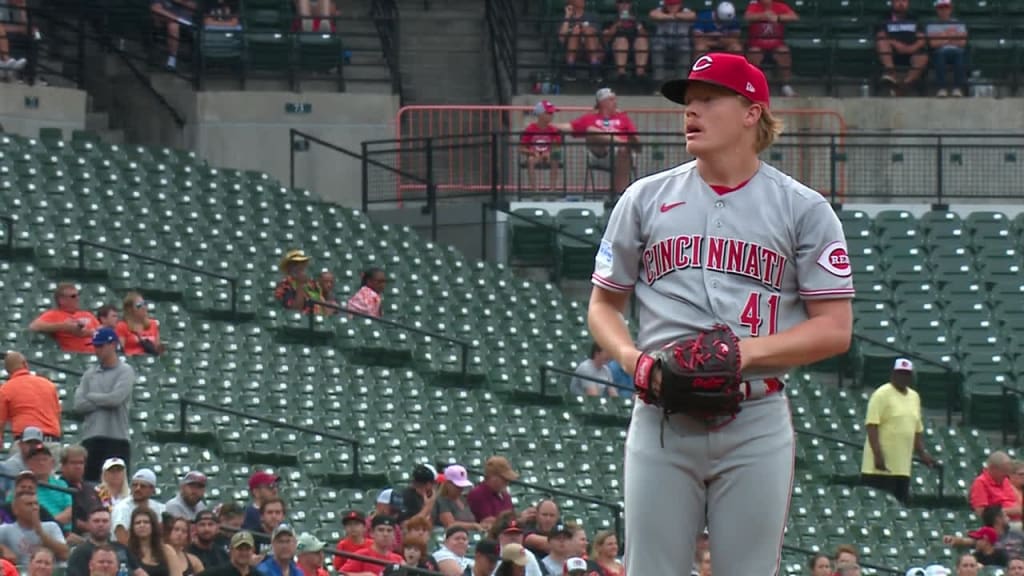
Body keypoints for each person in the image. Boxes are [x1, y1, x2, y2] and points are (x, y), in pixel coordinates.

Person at [588, 52, 854, 576]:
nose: (692, 112)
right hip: (663, 412)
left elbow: (835, 328)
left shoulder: (803, 208)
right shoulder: (644, 197)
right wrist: (630, 358)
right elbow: (604, 304)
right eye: (689, 103)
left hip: (755, 416)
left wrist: (743, 353)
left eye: (709, 100)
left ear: (752, 111)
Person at [861, 358, 936, 504]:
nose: (903, 377)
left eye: (907, 374)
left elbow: (916, 430)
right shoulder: (881, 394)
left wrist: (922, 454)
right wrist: (878, 455)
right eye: (900, 373)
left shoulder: (914, 397)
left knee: (900, 507)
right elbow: (872, 425)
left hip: (902, 468)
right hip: (879, 469)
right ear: (893, 374)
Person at [74, 327, 135, 483]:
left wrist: (92, 397)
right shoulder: (90, 373)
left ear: (113, 345)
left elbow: (115, 399)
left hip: (117, 438)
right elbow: (79, 404)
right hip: (91, 437)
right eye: (96, 346)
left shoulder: (125, 371)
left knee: (116, 487)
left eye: (101, 346)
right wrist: (104, 400)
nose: (97, 350)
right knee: (89, 486)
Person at [561, 88, 639, 196]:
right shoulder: (590, 118)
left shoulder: (623, 118)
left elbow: (636, 141)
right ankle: (619, 142)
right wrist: (546, 126)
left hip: (620, 154)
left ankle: (620, 195)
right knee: (592, 132)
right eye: (611, 100)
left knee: (623, 150)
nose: (615, 102)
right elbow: (569, 127)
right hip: (599, 154)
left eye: (615, 99)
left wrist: (630, 143)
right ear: (602, 102)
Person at [0, 352, 62, 440]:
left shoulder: (5, 389)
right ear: (25, 364)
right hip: (51, 440)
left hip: (24, 442)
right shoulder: (49, 385)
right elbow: (57, 414)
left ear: (7, 370)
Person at [743, 0, 799, 97]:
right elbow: (747, 16)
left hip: (776, 44)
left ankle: (786, 86)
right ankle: (753, 86)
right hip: (757, 43)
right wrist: (763, 16)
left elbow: (794, 16)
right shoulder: (754, 6)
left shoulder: (779, 6)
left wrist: (778, 17)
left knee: (783, 52)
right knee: (754, 52)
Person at [28, 283, 100, 353]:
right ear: (61, 300)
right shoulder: (54, 314)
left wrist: (89, 332)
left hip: (98, 353)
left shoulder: (87, 314)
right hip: (77, 357)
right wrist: (65, 327)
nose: (77, 299)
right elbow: (34, 326)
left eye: (78, 295)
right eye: (73, 296)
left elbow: (101, 331)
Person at [66, 507, 139, 576]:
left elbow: (139, 571)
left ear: (111, 524)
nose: (101, 524)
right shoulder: (79, 553)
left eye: (105, 521)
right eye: (96, 521)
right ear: (88, 524)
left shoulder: (122, 548)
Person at [875, 0, 928, 95]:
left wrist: (910, 48)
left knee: (923, 56)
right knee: (882, 43)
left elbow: (922, 39)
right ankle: (891, 74)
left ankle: (905, 84)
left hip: (912, 52)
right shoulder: (884, 17)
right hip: (892, 52)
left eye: (904, 1)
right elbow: (880, 35)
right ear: (893, 3)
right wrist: (896, 44)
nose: (901, 4)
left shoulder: (914, 17)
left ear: (908, 3)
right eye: (898, 1)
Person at [0, 492, 68, 564]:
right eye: (29, 504)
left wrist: (41, 533)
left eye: (36, 504)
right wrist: (2, 549)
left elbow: (65, 554)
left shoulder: (51, 526)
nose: (34, 507)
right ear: (15, 509)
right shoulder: (6, 530)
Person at [925, 0, 968, 97]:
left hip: (957, 51)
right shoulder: (931, 25)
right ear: (937, 10)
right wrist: (952, 36)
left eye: (946, 7)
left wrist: (942, 36)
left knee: (959, 54)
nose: (943, 10)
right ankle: (941, 88)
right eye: (941, 8)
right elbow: (933, 44)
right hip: (939, 51)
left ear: (950, 9)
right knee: (940, 54)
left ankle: (958, 88)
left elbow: (962, 43)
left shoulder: (959, 23)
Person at [112, 469, 167, 544]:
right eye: (135, 485)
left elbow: (161, 535)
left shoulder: (158, 507)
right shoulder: (122, 508)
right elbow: (122, 539)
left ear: (152, 490)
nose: (138, 489)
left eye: (143, 486)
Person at [520, 101, 563, 193]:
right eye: (549, 113)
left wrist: (549, 152)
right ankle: (534, 190)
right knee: (530, 160)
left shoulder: (553, 130)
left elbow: (558, 146)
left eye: (552, 113)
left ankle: (552, 190)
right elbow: (521, 148)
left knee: (555, 157)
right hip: (534, 155)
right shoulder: (530, 129)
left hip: (548, 155)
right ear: (540, 114)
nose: (552, 115)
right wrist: (531, 152)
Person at [58, 444, 101, 536]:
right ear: (63, 466)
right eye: (73, 463)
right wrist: (88, 526)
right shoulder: (58, 488)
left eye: (81, 463)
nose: (78, 467)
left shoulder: (91, 488)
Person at [128, 507, 185, 576]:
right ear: (132, 527)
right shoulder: (127, 552)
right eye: (137, 523)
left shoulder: (167, 551)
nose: (142, 525)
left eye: (146, 522)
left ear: (153, 525)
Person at [648, 0, 695, 82]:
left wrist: (672, 15)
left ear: (680, 4)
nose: (672, 7)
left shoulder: (686, 11)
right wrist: (672, 16)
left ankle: (681, 81)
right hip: (663, 40)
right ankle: (658, 81)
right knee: (657, 48)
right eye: (670, 5)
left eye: (674, 5)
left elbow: (692, 15)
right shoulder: (660, 10)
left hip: (681, 40)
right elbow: (653, 15)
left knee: (684, 48)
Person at [970, 452, 1023, 525]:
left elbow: (1018, 504)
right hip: (1001, 526)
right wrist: (1009, 511)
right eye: (1004, 471)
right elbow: (981, 513)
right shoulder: (981, 482)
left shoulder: (1005, 480)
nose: (1006, 474)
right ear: (993, 469)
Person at [602, 0, 649, 80]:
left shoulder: (637, 19)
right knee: (622, 40)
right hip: (616, 46)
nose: (624, 5)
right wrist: (616, 25)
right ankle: (621, 73)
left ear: (630, 5)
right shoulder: (610, 20)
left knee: (642, 40)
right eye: (621, 2)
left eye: (627, 2)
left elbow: (646, 36)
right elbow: (605, 39)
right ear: (617, 4)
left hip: (635, 46)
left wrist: (637, 24)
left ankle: (640, 73)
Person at [558, 0, 603, 81]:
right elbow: (561, 39)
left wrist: (583, 28)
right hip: (574, 51)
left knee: (588, 31)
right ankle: (570, 70)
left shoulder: (592, 16)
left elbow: (597, 32)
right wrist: (568, 16)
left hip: (591, 48)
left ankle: (594, 70)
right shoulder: (565, 17)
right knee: (575, 32)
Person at [467, 457, 519, 527]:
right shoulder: (478, 494)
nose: (507, 482)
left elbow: (511, 519)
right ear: (492, 477)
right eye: (504, 479)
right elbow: (489, 522)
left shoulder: (505, 495)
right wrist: (519, 520)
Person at [434, 464, 482, 531]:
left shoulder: (464, 499)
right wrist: (474, 526)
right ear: (448, 484)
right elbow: (450, 525)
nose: (461, 489)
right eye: (457, 486)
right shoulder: (441, 501)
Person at [115, 292, 165, 356]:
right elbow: (120, 352)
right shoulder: (122, 326)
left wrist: (161, 348)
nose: (144, 307)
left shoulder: (153, 324)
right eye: (139, 305)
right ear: (130, 309)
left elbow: (157, 350)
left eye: (144, 304)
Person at [274, 250, 322, 315]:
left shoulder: (313, 284)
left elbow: (320, 305)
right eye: (296, 263)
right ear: (289, 267)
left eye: (302, 262)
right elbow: (295, 310)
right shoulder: (283, 286)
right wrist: (300, 285)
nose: (300, 266)